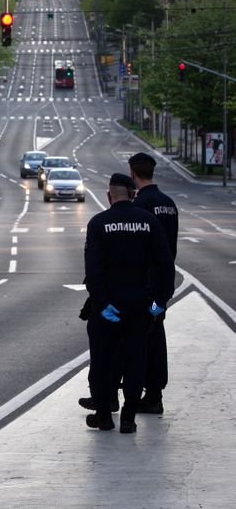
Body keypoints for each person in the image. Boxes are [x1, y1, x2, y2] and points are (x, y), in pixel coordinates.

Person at [83, 173, 174, 434]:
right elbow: (166, 267)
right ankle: (129, 418)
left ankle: (103, 416)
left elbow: (93, 271)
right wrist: (157, 305)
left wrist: (101, 304)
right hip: (139, 306)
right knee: (136, 361)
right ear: (133, 195)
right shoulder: (149, 222)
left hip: (108, 309)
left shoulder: (99, 224)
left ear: (109, 195)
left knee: (102, 362)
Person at [128, 152, 179, 414]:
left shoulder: (140, 206)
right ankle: (156, 392)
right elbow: (172, 247)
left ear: (133, 174)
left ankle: (144, 394)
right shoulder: (169, 203)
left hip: (143, 286)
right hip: (162, 286)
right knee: (156, 334)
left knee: (140, 340)